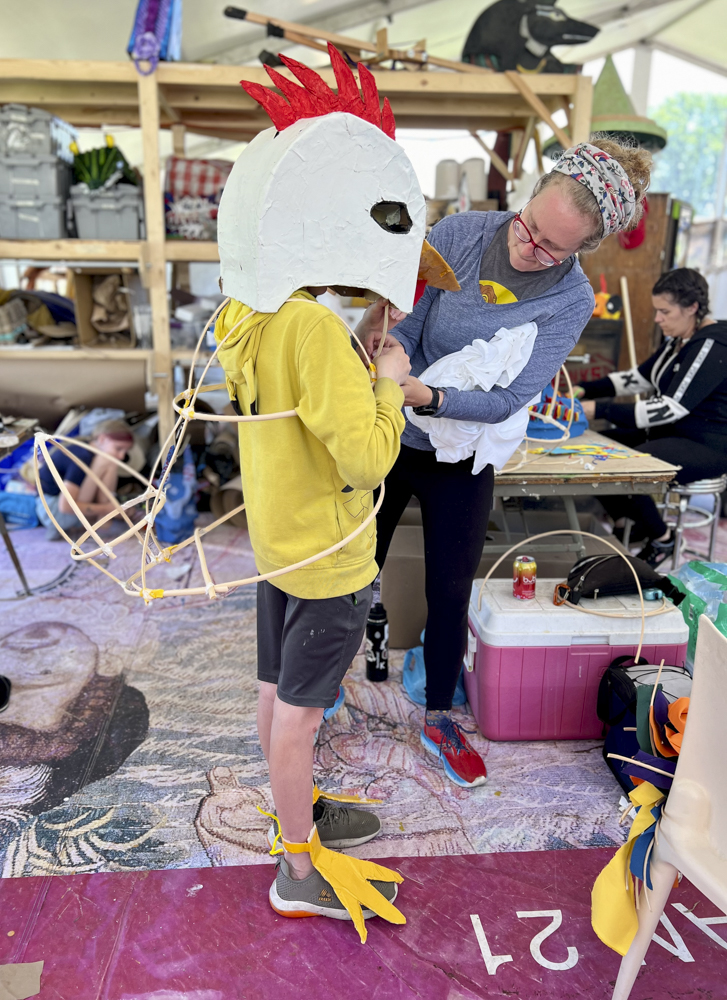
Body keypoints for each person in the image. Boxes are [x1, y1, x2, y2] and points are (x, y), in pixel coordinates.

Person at [213, 46, 456, 938]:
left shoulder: (250, 308)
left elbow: (297, 397)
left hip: (282, 544)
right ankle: (295, 864)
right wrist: (388, 376)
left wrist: (357, 351)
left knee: (278, 691)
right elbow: (362, 459)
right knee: (302, 715)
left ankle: (296, 813)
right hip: (329, 556)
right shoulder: (312, 324)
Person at [357, 137, 653, 788]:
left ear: (581, 249)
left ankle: (437, 710)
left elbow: (511, 398)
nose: (528, 248)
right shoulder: (461, 233)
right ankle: (319, 685)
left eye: (550, 247)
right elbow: (410, 321)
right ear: (526, 198)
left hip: (461, 453)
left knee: (448, 588)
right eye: (527, 227)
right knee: (352, 568)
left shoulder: (569, 300)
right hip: (389, 434)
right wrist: (395, 352)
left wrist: (429, 396)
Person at [576, 268, 727, 566]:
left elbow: (669, 408)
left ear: (692, 308)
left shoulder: (711, 345)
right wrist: (582, 389)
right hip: (670, 434)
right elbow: (635, 379)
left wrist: (600, 409)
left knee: (626, 467)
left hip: (706, 444)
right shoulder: (679, 340)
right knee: (594, 449)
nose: (658, 319)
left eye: (664, 311)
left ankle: (663, 539)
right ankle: (625, 525)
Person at [36, 419, 134, 541]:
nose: (122, 456)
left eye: (125, 451)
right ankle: (103, 521)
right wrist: (109, 508)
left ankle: (102, 519)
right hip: (54, 512)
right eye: (118, 449)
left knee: (109, 460)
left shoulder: (88, 448)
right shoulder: (81, 457)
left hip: (58, 506)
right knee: (107, 461)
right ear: (102, 439)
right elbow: (65, 506)